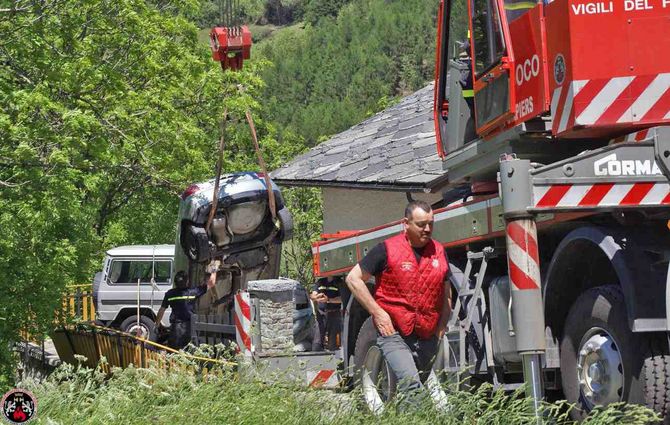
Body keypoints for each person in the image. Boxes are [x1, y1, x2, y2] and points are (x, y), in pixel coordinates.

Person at [346, 200, 452, 409]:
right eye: (421, 224)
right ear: (406, 223)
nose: (428, 229)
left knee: (411, 391)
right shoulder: (386, 249)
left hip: (427, 334)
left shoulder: (439, 251)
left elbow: (446, 293)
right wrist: (378, 313)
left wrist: (441, 326)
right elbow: (353, 278)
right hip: (393, 332)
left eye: (431, 223)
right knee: (412, 387)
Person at [155, 266, 217, 350]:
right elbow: (211, 283)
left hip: (175, 329)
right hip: (189, 328)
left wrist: (157, 324)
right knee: (188, 350)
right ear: (187, 282)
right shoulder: (193, 292)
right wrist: (214, 269)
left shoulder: (169, 294)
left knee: (173, 351)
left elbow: (162, 310)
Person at [310, 276, 343, 351]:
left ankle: (334, 360)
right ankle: (316, 357)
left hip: (334, 314)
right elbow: (313, 295)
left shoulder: (339, 282)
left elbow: (342, 299)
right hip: (321, 314)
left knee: (333, 343)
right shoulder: (320, 282)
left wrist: (328, 300)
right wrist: (316, 297)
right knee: (317, 342)